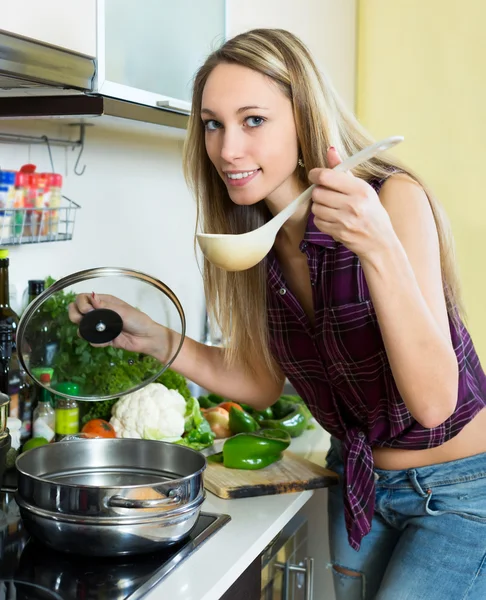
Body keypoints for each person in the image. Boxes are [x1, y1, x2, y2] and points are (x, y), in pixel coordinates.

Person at [69, 29, 486, 599]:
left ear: (303, 119)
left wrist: (378, 248)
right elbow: (260, 385)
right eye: (213, 124)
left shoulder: (391, 201)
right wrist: (156, 339)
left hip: (461, 490)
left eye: (253, 120)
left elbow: (436, 402)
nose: (228, 148)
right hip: (361, 480)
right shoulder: (253, 241)